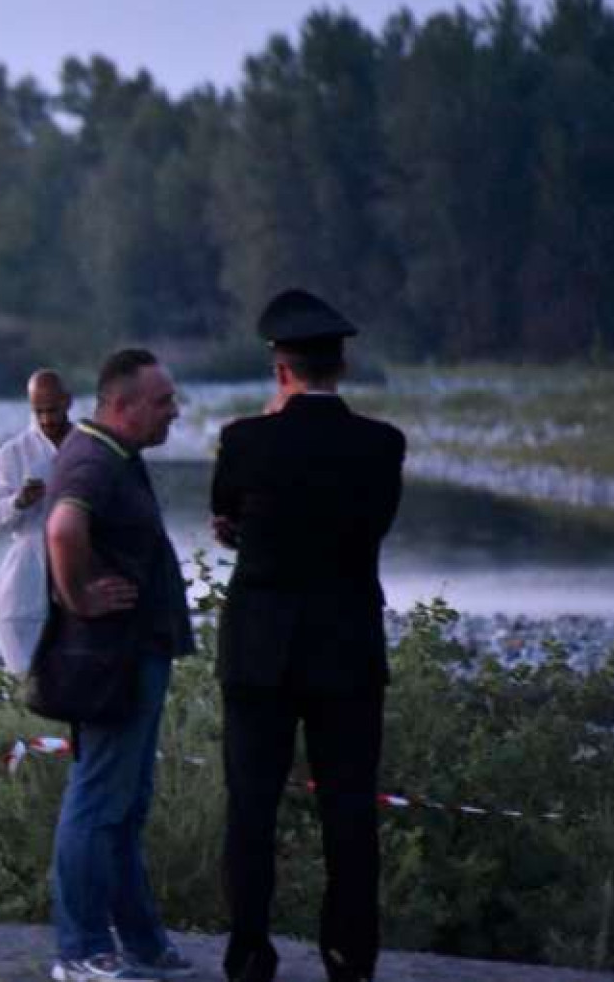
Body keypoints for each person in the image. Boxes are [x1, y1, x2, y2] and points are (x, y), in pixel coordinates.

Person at [212, 290, 405, 982]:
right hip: (347, 649)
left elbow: (226, 520)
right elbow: (376, 527)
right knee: (349, 813)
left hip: (259, 650)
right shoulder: (383, 445)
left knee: (251, 811)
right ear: (341, 366)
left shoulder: (243, 441)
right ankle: (349, 959)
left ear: (280, 369)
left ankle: (249, 954)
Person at [44, 348, 196, 982]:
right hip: (112, 661)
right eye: (163, 402)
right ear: (122, 405)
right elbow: (61, 529)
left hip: (134, 655)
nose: (173, 412)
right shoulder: (91, 460)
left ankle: (141, 944)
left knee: (126, 805)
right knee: (98, 802)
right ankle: (79, 951)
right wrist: (80, 596)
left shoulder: (116, 455)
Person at [0, 369, 74, 674]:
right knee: (24, 666)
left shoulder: (87, 447)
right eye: (38, 411)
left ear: (68, 402)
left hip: (81, 565)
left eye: (52, 410)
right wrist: (19, 502)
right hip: (28, 568)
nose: (46, 419)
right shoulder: (15, 452)